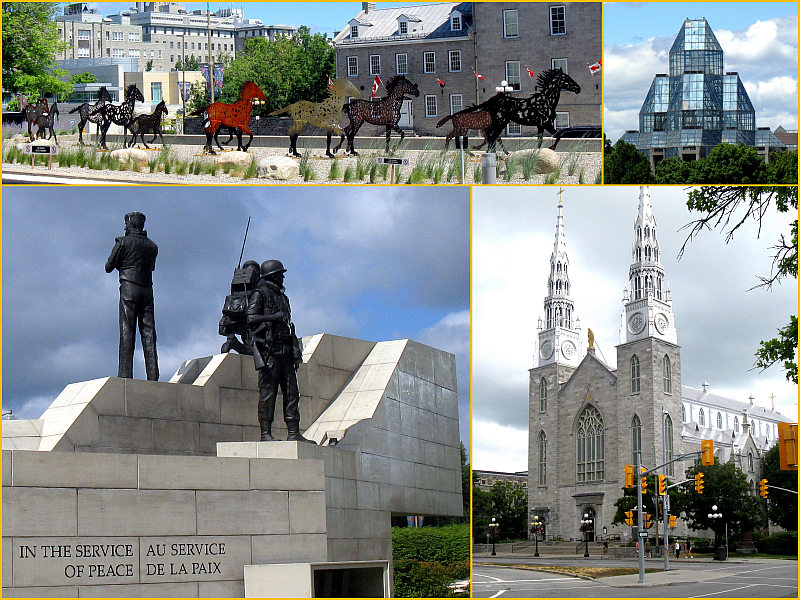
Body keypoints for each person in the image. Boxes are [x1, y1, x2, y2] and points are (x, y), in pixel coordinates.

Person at [247, 259, 314, 444]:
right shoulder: (260, 294)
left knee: (292, 392)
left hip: (285, 350)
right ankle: (265, 433)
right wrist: (272, 317)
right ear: (272, 275)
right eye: (280, 274)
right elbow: (251, 318)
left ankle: (294, 433)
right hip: (270, 351)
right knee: (268, 393)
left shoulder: (283, 298)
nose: (283, 277)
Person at [105, 211, 159, 380]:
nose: (125, 227)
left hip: (129, 288)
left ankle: (125, 374)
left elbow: (108, 266)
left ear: (131, 225)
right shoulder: (152, 246)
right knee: (149, 331)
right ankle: (153, 375)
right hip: (147, 290)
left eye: (126, 224)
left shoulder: (122, 242)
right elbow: (151, 267)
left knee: (127, 330)